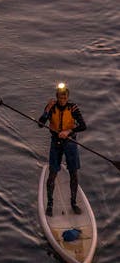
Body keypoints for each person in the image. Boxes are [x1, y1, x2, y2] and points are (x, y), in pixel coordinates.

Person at [38, 82, 86, 217]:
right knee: (52, 173)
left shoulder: (73, 108)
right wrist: (46, 110)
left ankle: (73, 202)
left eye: (64, 97)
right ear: (57, 96)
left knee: (73, 173)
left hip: (70, 142)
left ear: (68, 97)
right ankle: (50, 204)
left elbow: (83, 126)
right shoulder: (51, 108)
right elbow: (40, 124)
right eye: (60, 97)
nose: (62, 99)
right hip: (56, 143)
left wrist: (69, 131)